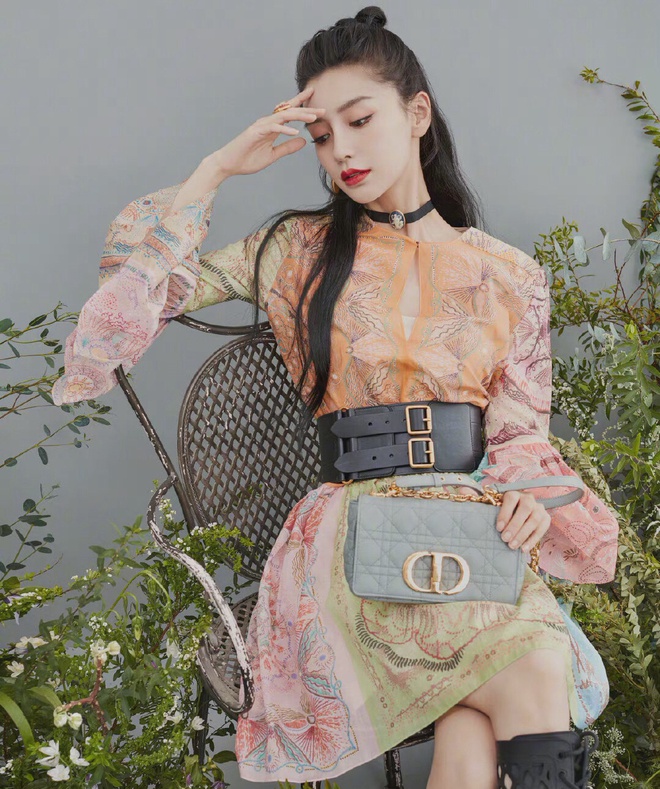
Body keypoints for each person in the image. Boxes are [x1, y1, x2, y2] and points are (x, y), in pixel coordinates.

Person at [51, 7, 620, 788]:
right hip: (349, 548)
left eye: (359, 120)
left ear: (416, 113)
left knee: (471, 728)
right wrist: (218, 168)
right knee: (534, 670)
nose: (341, 150)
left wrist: (527, 500)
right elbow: (134, 296)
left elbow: (519, 436)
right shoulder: (295, 252)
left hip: (472, 545)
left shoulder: (511, 276)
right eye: (322, 135)